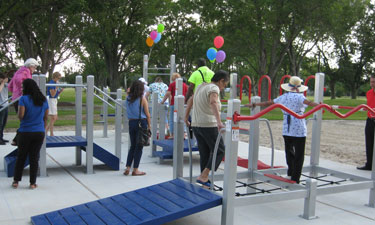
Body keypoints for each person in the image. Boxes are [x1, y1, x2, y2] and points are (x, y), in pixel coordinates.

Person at [246, 76, 318, 183]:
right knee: (299, 154)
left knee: (289, 152)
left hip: (287, 128)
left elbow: (268, 103)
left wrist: (255, 104)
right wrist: (322, 106)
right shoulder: (300, 97)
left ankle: (290, 172)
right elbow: (310, 103)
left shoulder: (283, 97)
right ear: (299, 88)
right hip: (298, 128)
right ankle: (295, 177)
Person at [184, 70, 229, 188]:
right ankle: (204, 175)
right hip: (208, 124)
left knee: (205, 153)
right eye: (225, 85)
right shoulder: (214, 88)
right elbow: (213, 102)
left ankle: (204, 181)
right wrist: (219, 122)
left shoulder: (200, 87)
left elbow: (190, 101)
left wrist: (185, 117)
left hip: (196, 124)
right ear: (221, 81)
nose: (224, 88)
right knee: (220, 150)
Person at [12, 79, 49, 189]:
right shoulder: (44, 100)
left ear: (27, 88)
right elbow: (46, 117)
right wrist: (43, 131)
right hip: (39, 132)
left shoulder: (23, 99)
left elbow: (21, 116)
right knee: (34, 158)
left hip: (25, 132)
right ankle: (32, 183)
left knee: (21, 157)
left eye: (23, 87)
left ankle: (16, 181)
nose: (22, 89)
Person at [8, 58, 39, 145]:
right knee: (26, 120)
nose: (35, 69)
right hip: (22, 99)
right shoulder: (25, 72)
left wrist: (15, 93)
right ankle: (17, 140)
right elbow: (19, 81)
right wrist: (23, 92)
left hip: (17, 98)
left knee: (25, 120)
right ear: (31, 66)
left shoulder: (19, 71)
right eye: (35, 67)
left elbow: (10, 86)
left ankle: (17, 140)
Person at [124, 80, 151, 176]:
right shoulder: (142, 99)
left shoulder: (128, 98)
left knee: (132, 146)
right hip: (141, 123)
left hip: (131, 123)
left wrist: (128, 92)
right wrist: (149, 127)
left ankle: (128, 167)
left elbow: (128, 93)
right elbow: (147, 114)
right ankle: (135, 169)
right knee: (139, 146)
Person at [161, 73, 188, 138]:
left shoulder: (172, 84)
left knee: (172, 119)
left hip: (174, 104)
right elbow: (187, 94)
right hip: (182, 104)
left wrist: (163, 101)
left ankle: (172, 134)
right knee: (183, 119)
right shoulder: (184, 85)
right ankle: (183, 134)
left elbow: (168, 93)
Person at [357, 76, 375, 171]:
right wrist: (366, 108)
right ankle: (369, 164)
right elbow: (369, 105)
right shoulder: (368, 93)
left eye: (374, 82)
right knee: (369, 142)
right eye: (371, 82)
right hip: (370, 120)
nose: (372, 84)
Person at [46, 72, 64, 136]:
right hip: (51, 100)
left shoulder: (55, 83)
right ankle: (51, 133)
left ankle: (46, 131)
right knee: (53, 117)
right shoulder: (51, 83)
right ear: (55, 77)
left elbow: (56, 94)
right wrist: (56, 88)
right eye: (58, 78)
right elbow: (52, 95)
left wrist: (60, 91)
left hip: (54, 100)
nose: (59, 80)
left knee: (54, 118)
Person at [0, 72, 9, 144]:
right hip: (1, 105)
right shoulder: (2, 85)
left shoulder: (6, 85)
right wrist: (2, 83)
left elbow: (12, 88)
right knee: (0, 123)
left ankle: (1, 137)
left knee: (3, 123)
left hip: (6, 105)